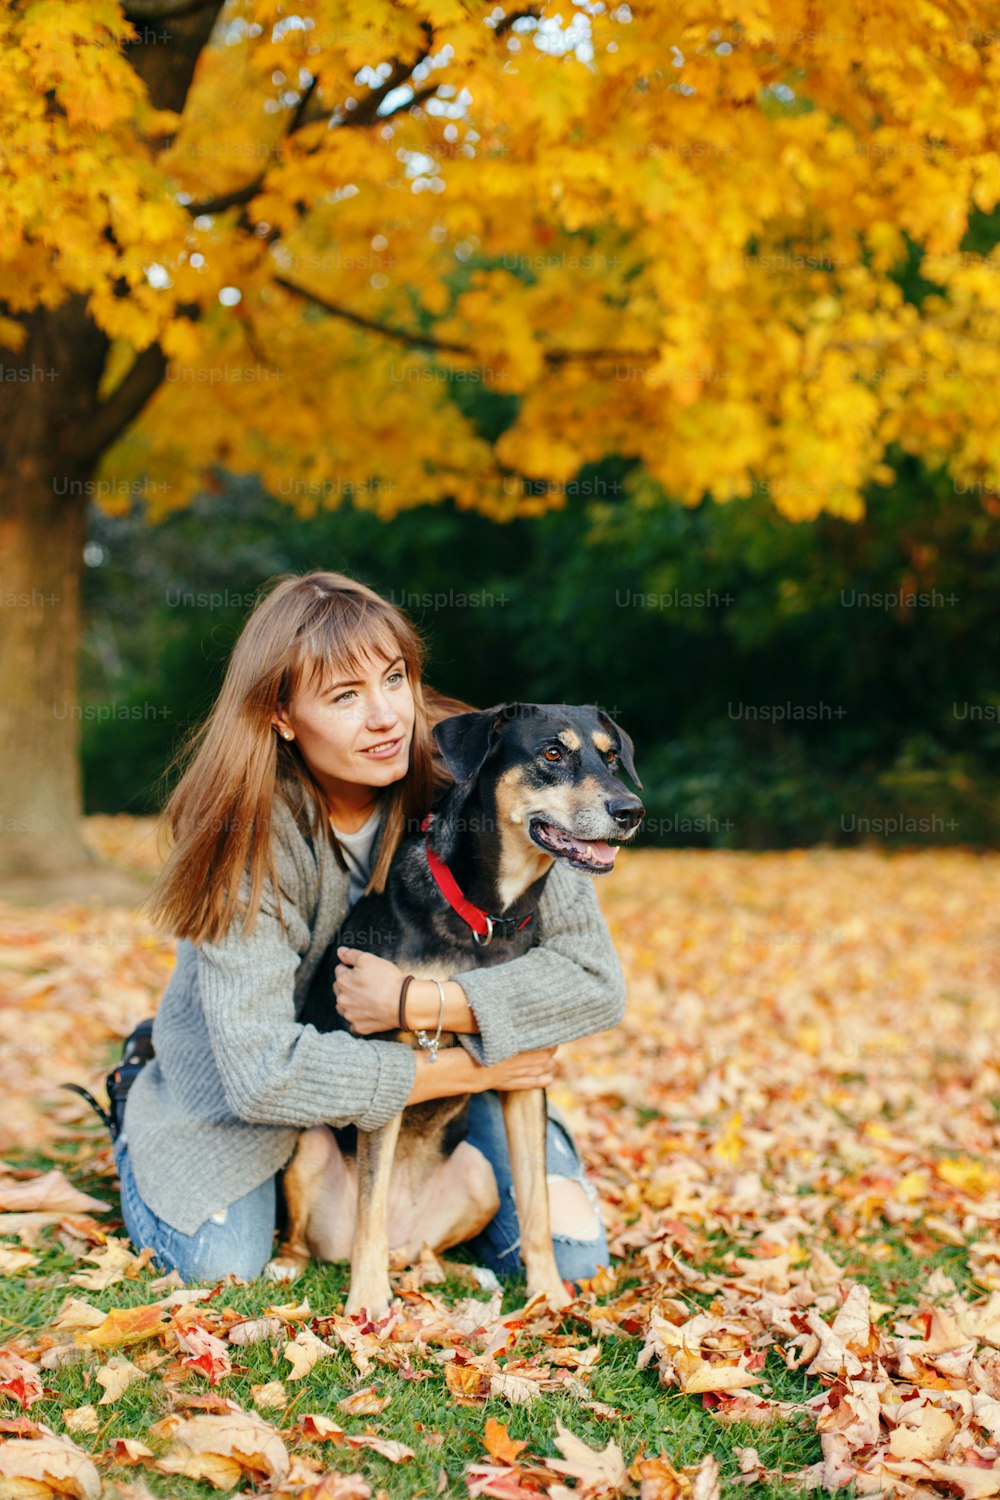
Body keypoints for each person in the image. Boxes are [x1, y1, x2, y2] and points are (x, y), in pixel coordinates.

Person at [118, 570, 626, 1285]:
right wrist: (472, 1064)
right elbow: (264, 1075)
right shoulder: (246, 839)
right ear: (281, 715)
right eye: (345, 696)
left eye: (394, 679)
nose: (387, 715)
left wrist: (426, 1006)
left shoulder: (488, 771)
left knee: (573, 1261)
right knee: (218, 1262)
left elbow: (594, 983)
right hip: (263, 1081)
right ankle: (137, 1097)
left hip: (431, 1082)